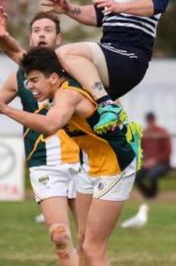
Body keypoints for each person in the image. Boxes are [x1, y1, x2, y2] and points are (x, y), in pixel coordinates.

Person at [0, 47, 141, 266]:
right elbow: (33, 64)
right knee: (83, 240)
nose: (30, 87)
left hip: (114, 165)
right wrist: (6, 42)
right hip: (90, 163)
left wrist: (7, 110)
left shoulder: (67, 95)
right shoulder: (58, 86)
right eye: (28, 81)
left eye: (34, 81)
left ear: (54, 77)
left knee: (94, 249)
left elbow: (50, 126)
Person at [42, 0, 170, 134]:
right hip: (110, 52)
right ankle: (126, 134)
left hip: (129, 55)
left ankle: (108, 104)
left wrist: (120, 6)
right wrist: (69, 9)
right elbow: (99, 15)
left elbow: (157, 3)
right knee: (68, 91)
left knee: (65, 53)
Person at [0, 8, 80, 265]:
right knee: (59, 237)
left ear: (59, 38)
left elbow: (17, 54)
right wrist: (4, 37)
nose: (41, 35)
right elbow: (19, 59)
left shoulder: (73, 70)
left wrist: (4, 38)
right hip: (44, 164)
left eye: (47, 30)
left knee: (90, 241)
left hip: (84, 162)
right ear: (30, 37)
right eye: (36, 30)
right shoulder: (18, 78)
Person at [121, 111, 172, 228]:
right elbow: (140, 150)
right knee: (136, 176)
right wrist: (144, 161)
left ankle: (152, 196)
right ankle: (148, 196)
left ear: (154, 120)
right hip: (147, 163)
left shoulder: (162, 133)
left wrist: (154, 160)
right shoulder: (144, 133)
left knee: (153, 175)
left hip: (162, 163)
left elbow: (167, 152)